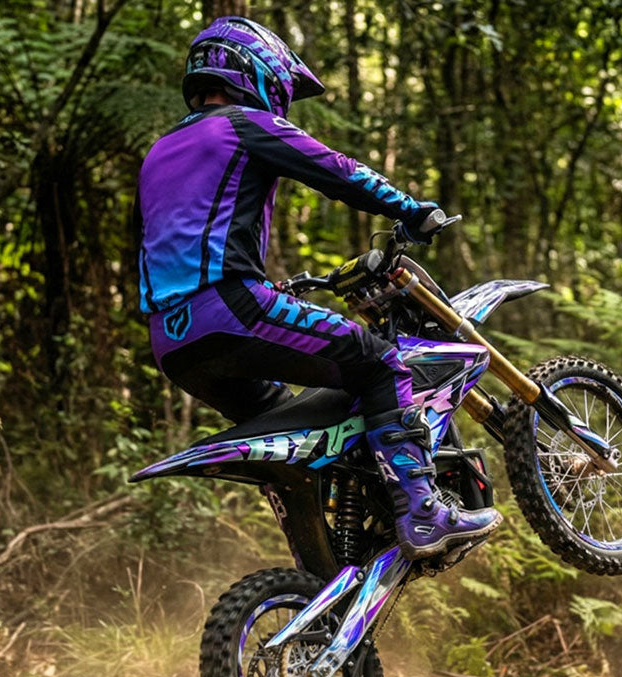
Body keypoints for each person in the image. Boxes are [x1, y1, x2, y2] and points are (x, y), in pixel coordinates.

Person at [137, 16, 500, 560]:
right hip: (232, 310)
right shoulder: (243, 124)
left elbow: (174, 244)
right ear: (257, 72)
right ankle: (422, 512)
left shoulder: (159, 151)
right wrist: (412, 211)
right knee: (381, 364)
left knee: (289, 423)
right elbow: (338, 170)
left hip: (173, 342)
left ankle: (323, 561)